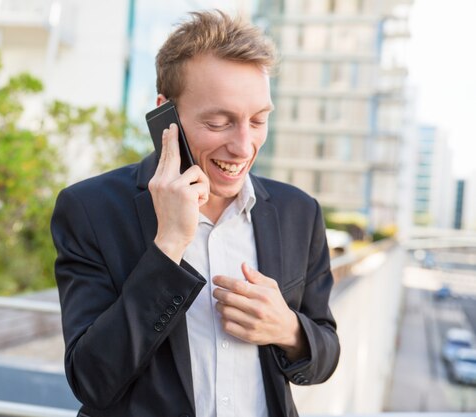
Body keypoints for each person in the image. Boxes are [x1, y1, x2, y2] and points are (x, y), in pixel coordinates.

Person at [51, 10, 339, 417]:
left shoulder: (299, 212)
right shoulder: (90, 210)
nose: (243, 147)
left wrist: (288, 330)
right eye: (219, 122)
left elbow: (325, 353)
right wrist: (168, 245)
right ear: (164, 114)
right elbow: (92, 380)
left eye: (258, 120)